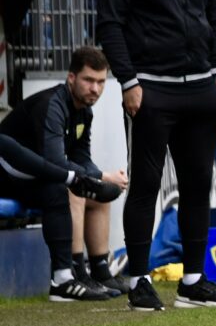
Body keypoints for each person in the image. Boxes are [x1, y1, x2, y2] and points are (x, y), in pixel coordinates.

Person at [95, 0, 216, 312]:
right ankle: (138, 281)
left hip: (200, 90)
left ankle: (193, 280)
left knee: (198, 187)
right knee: (146, 186)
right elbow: (110, 27)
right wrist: (129, 82)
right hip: (151, 89)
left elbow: (213, 22)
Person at [0, 46, 126, 302]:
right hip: (7, 176)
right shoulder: (52, 106)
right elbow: (55, 161)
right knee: (72, 188)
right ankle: (74, 273)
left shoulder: (83, 111)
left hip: (34, 177)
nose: (95, 89)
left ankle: (100, 270)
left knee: (97, 193)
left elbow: (81, 159)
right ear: (71, 78)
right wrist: (99, 176)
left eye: (101, 82)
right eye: (89, 80)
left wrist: (102, 177)